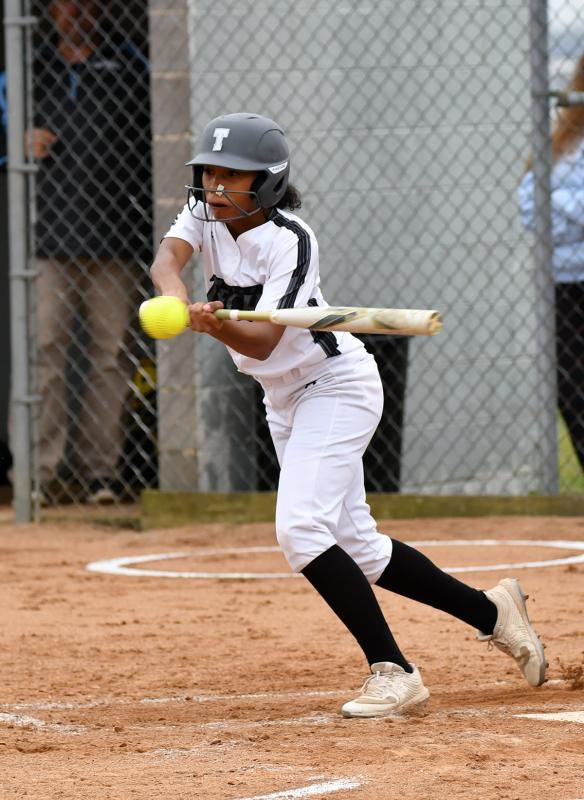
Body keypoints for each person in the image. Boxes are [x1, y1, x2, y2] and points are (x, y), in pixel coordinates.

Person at [150, 112, 547, 718]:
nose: (216, 187)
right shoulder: (204, 216)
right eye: (209, 174)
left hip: (332, 386)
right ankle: (493, 613)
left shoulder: (291, 240)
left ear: (269, 182)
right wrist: (177, 301)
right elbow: (165, 262)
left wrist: (212, 326)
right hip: (280, 397)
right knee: (357, 545)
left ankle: (395, 671)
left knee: (300, 530)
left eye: (234, 176)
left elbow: (262, 344)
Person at [10, 0, 152, 504]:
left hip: (115, 238)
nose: (76, 11)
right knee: (43, 350)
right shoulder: (29, 65)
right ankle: (38, 476)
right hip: (47, 240)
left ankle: (102, 474)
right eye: (66, 3)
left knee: (109, 357)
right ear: (49, 11)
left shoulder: (131, 61)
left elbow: (158, 132)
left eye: (87, 3)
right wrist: (19, 141)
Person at [518, 53, 584, 473]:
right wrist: (572, 212)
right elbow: (528, 203)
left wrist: (557, 204)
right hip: (565, 284)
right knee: (572, 389)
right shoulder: (566, 138)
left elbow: (546, 203)